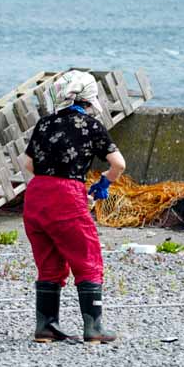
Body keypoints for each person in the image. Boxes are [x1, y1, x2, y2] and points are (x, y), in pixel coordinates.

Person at [22, 70, 126, 344]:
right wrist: (104, 182)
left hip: (36, 197)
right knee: (87, 258)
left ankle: (46, 327)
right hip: (67, 195)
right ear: (89, 99)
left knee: (48, 263)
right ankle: (94, 328)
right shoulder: (90, 126)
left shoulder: (44, 124)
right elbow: (118, 164)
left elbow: (28, 166)